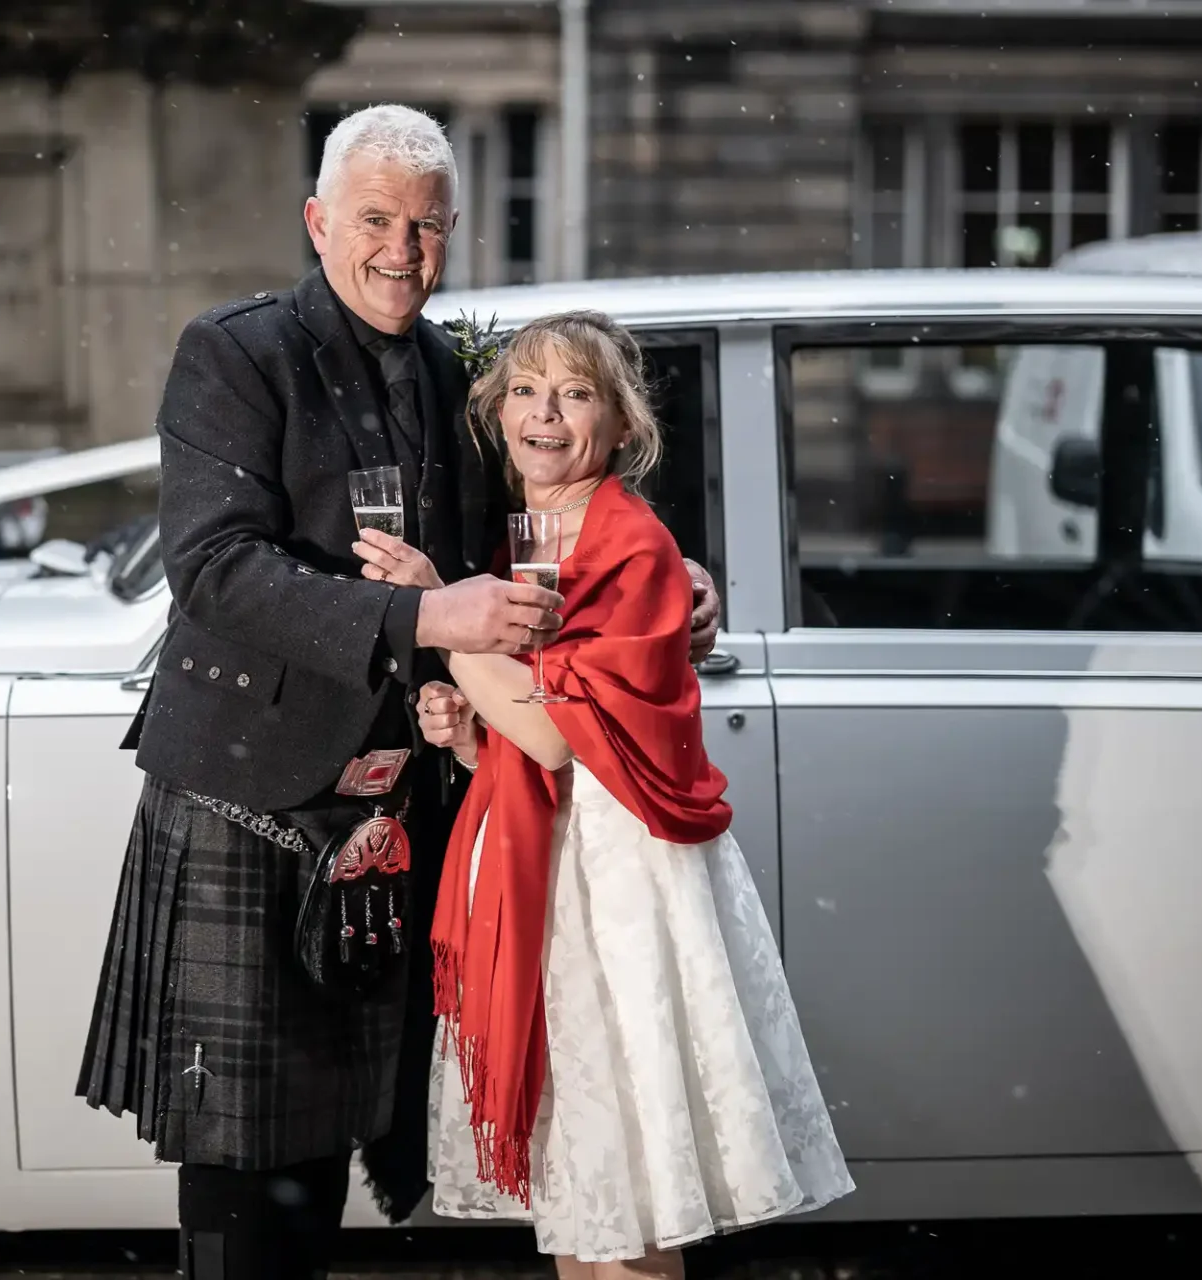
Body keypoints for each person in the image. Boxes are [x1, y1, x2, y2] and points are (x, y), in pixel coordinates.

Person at [76, 104, 721, 1280]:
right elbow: (215, 570)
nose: (400, 249)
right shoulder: (237, 350)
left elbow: (536, 526)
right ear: (319, 221)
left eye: (426, 226)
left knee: (331, 1148)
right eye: (375, 218)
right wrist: (424, 617)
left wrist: (673, 576)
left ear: (453, 233)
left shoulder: (450, 371)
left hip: (403, 804)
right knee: (245, 1175)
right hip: (249, 795)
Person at [354, 311, 853, 1278]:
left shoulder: (627, 541)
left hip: (620, 887)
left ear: (622, 425)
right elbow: (532, 724)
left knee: (628, 1206)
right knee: (588, 1195)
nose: (546, 412)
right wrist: (467, 733)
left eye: (576, 393)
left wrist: (429, 610)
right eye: (528, 390)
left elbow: (552, 727)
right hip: (557, 872)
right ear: (498, 413)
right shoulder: (534, 534)